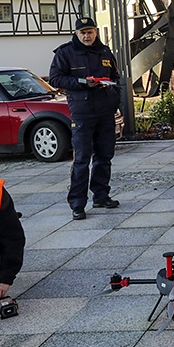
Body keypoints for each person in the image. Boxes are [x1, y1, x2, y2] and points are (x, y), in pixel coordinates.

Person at [49, 16, 122, 220]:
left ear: (96, 32)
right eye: (83, 33)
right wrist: (82, 82)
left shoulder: (105, 51)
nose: (87, 36)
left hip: (105, 111)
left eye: (90, 32)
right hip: (82, 112)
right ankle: (77, 204)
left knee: (104, 156)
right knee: (82, 159)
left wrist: (117, 102)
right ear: (76, 33)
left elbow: (116, 78)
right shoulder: (65, 53)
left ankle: (101, 195)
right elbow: (55, 78)